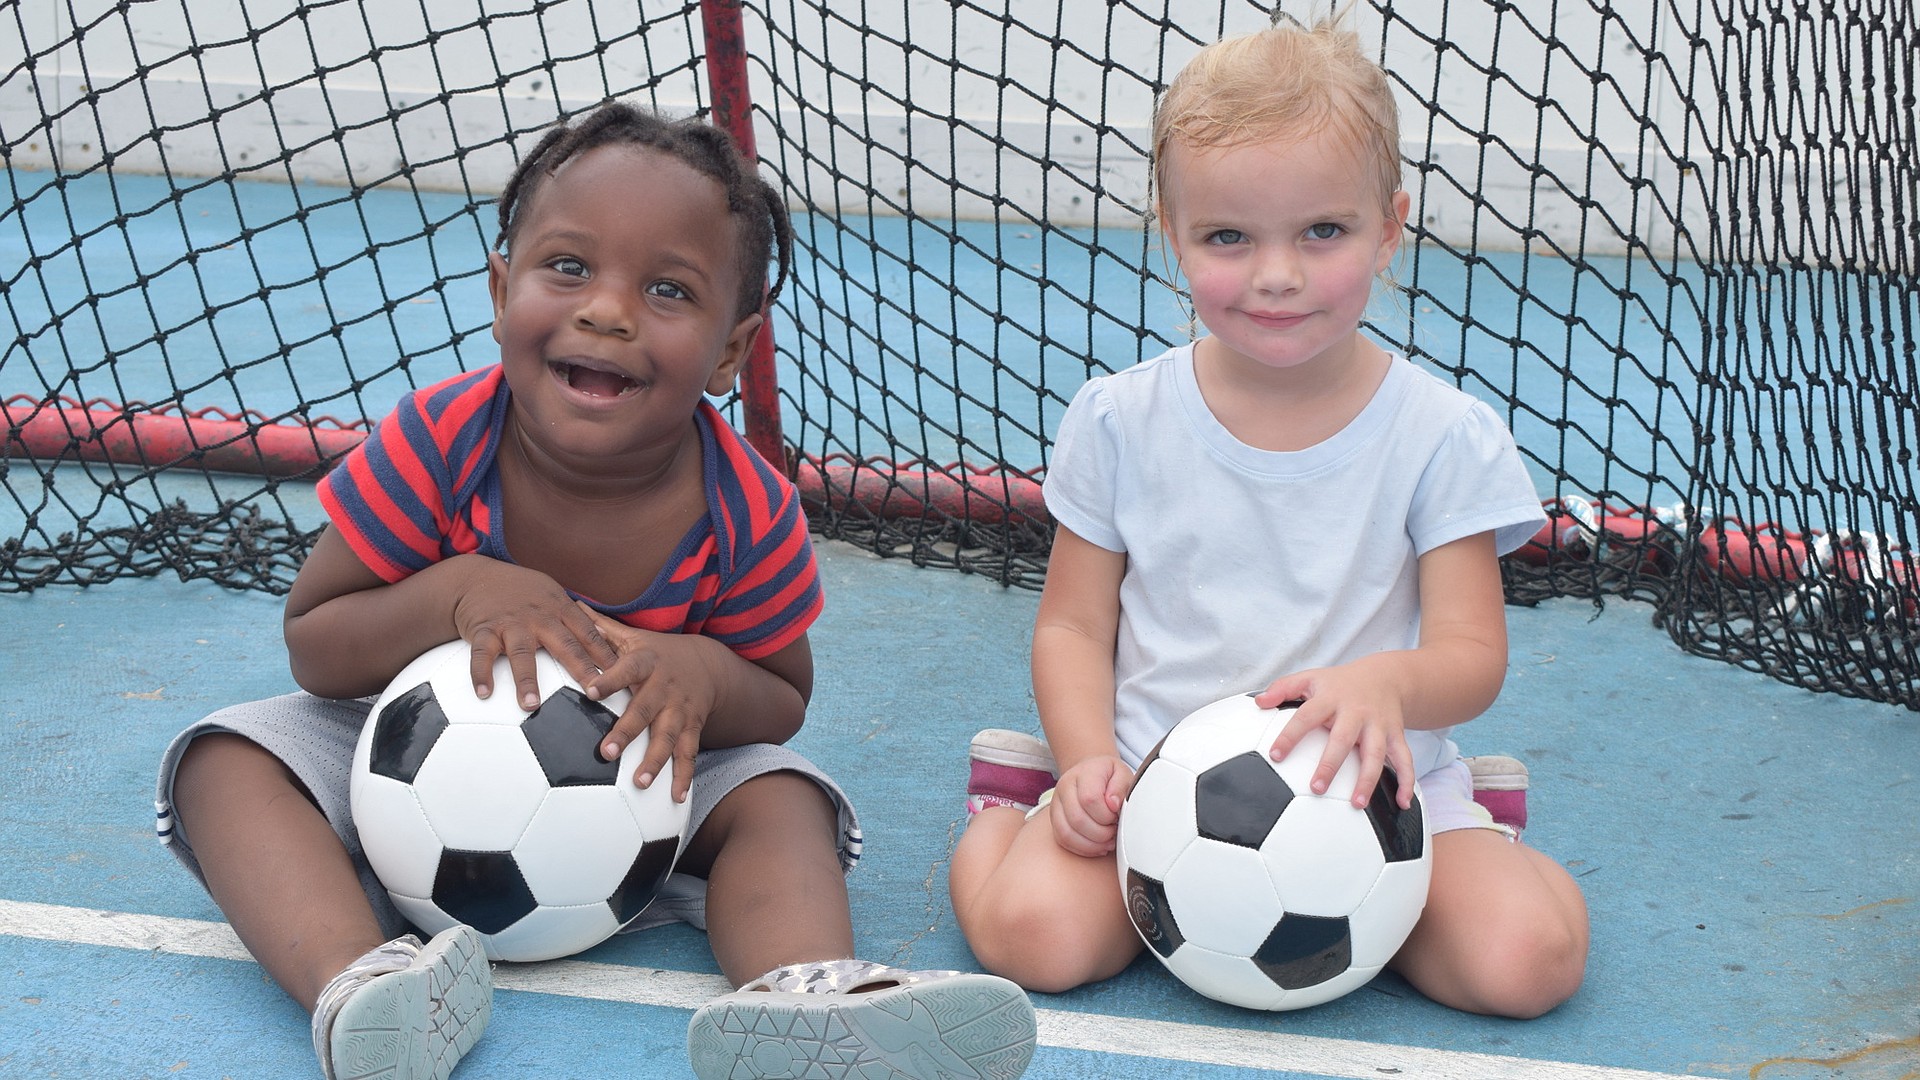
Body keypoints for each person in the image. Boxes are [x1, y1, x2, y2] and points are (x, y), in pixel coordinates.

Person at [154, 102, 1036, 1080]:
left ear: (732, 352)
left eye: (667, 289)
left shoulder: (747, 506)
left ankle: (807, 1000)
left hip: (653, 786)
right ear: (501, 290)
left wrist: (703, 671)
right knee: (223, 760)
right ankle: (361, 986)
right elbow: (316, 643)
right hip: (398, 767)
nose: (607, 311)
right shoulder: (439, 441)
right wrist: (455, 593)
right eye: (568, 268)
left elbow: (781, 696)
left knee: (786, 801)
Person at [948, 15, 1589, 1019]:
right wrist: (1085, 763)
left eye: (1322, 231)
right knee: (1038, 939)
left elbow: (1473, 655)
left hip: (1384, 791)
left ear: (1391, 226)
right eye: (1229, 237)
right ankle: (1005, 807)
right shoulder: (1122, 422)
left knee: (1530, 963)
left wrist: (1384, 683)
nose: (1277, 274)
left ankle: (1485, 823)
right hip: (1158, 785)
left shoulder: (1442, 436)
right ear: (1172, 235)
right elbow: (1074, 625)